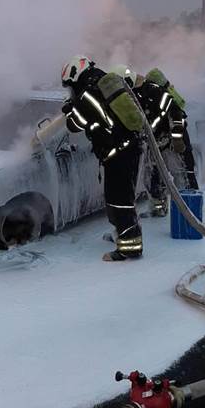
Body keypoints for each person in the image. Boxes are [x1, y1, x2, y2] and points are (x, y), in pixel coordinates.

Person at [61, 55, 144, 260]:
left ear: (76, 76)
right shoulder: (104, 82)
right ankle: (123, 234)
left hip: (118, 154)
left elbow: (75, 124)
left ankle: (129, 248)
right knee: (124, 197)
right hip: (128, 148)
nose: (71, 90)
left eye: (70, 86)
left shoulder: (86, 95)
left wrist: (68, 109)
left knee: (118, 200)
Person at [133, 67, 200, 216]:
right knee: (154, 176)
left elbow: (177, 116)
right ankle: (159, 208)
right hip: (157, 142)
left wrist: (176, 140)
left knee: (179, 175)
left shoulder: (159, 95)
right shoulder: (151, 95)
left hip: (170, 142)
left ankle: (187, 212)